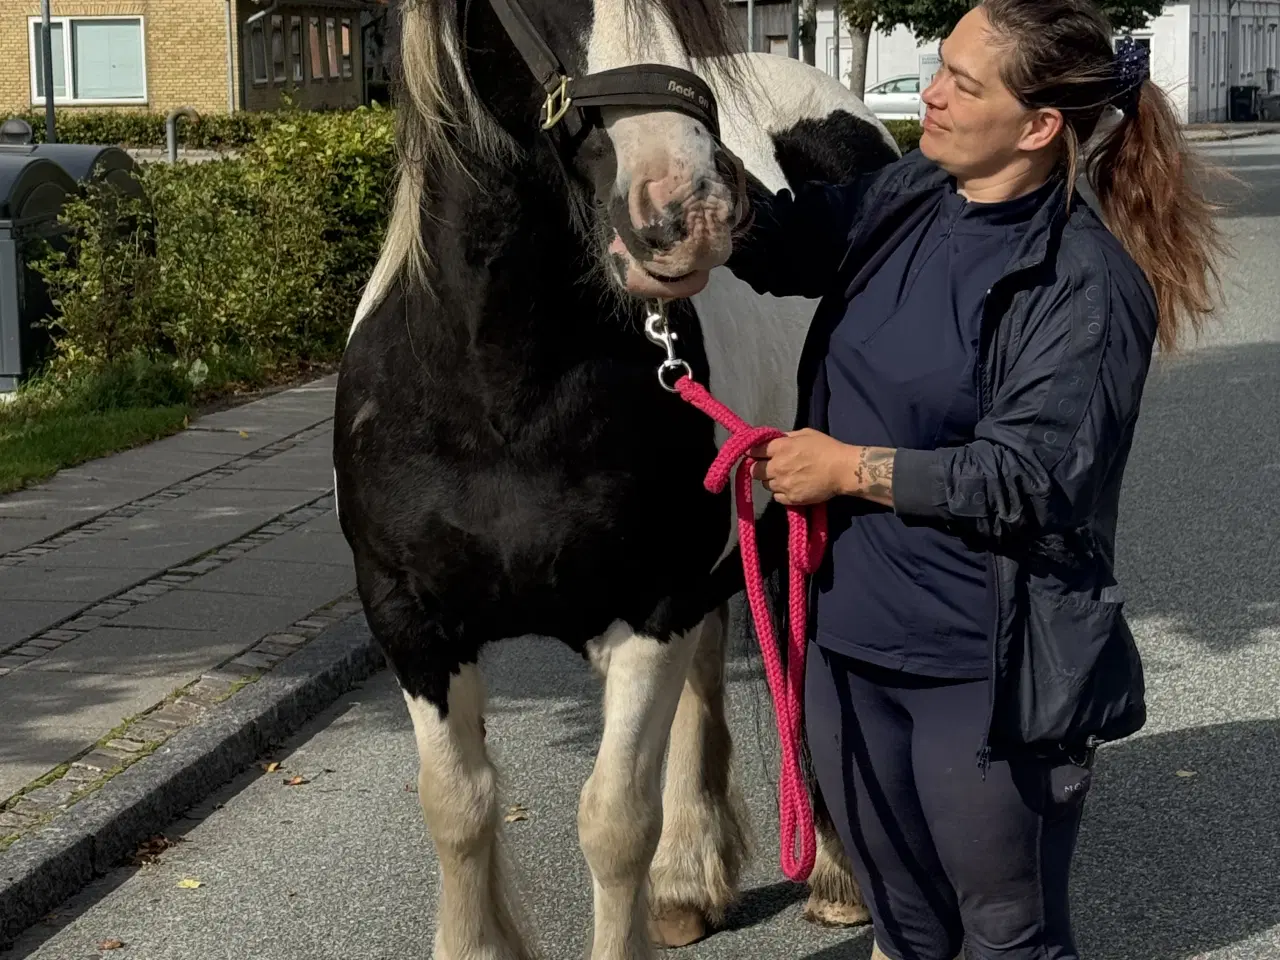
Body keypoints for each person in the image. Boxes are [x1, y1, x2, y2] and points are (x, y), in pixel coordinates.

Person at [724, 1, 1228, 958]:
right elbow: (795, 240)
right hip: (845, 639)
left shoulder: (1084, 280)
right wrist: (691, 200)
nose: (932, 93)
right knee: (906, 923)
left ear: (1038, 128)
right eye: (940, 66)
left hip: (983, 668)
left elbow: (1030, 477)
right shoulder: (914, 189)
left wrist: (844, 468)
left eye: (963, 81)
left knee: (1007, 933)